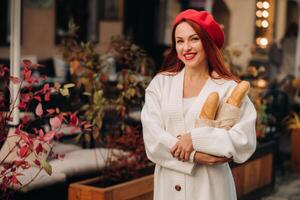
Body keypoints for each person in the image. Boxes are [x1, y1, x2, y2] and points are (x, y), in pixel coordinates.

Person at [141, 9, 257, 200]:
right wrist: (195, 156)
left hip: (211, 189)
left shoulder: (229, 89)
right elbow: (152, 139)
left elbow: (243, 141)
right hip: (168, 188)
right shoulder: (160, 84)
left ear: (208, 42)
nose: (186, 47)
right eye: (179, 41)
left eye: (194, 39)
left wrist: (195, 138)